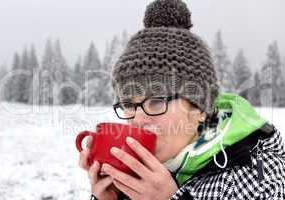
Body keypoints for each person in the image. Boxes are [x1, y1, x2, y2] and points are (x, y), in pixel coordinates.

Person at [79, 0, 285, 199]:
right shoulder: (135, 176)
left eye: (157, 101)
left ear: (200, 109)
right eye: (129, 105)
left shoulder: (258, 177)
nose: (138, 120)